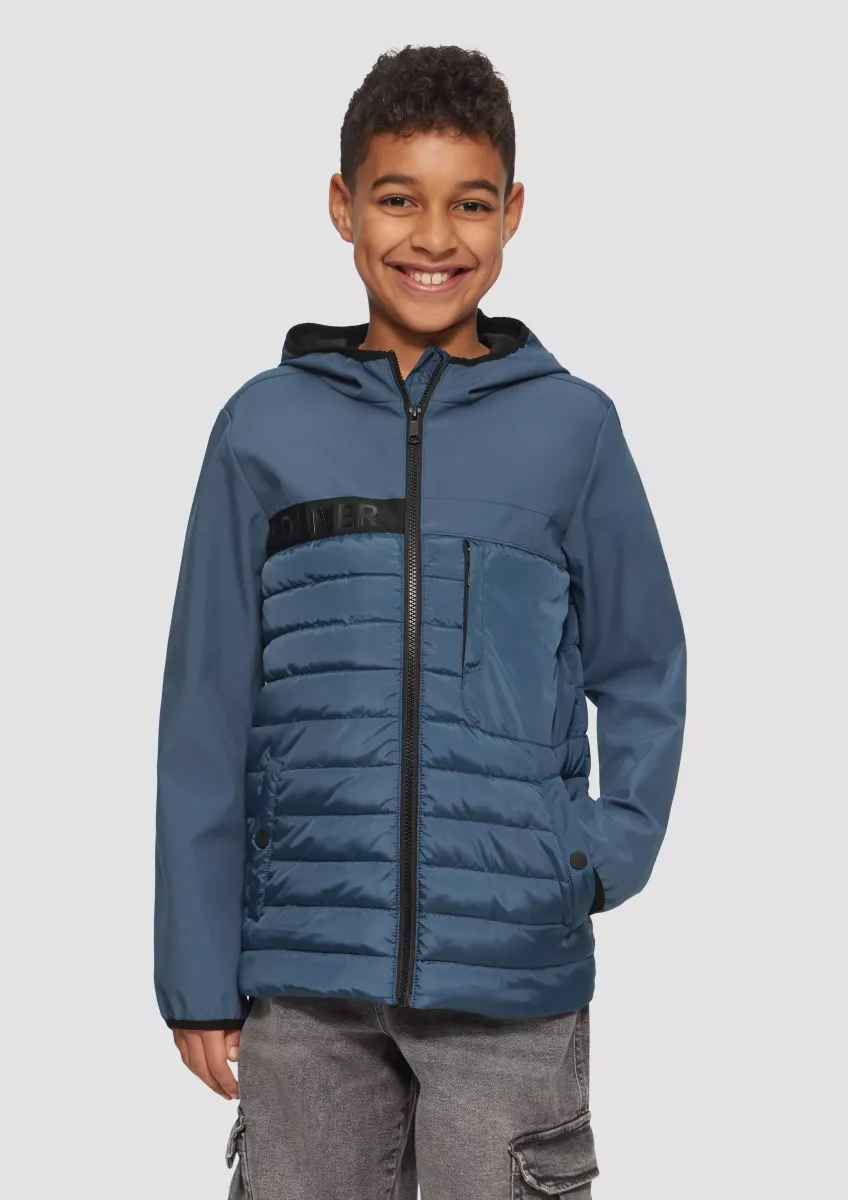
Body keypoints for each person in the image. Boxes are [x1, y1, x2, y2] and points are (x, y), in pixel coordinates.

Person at [154, 43, 687, 1200]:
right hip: (303, 972)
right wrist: (195, 971)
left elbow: (642, 662)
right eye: (398, 199)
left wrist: (595, 854)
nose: (433, 238)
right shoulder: (261, 428)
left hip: (508, 972)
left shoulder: (571, 428)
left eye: (469, 203)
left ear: (512, 212)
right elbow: (205, 708)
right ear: (342, 204)